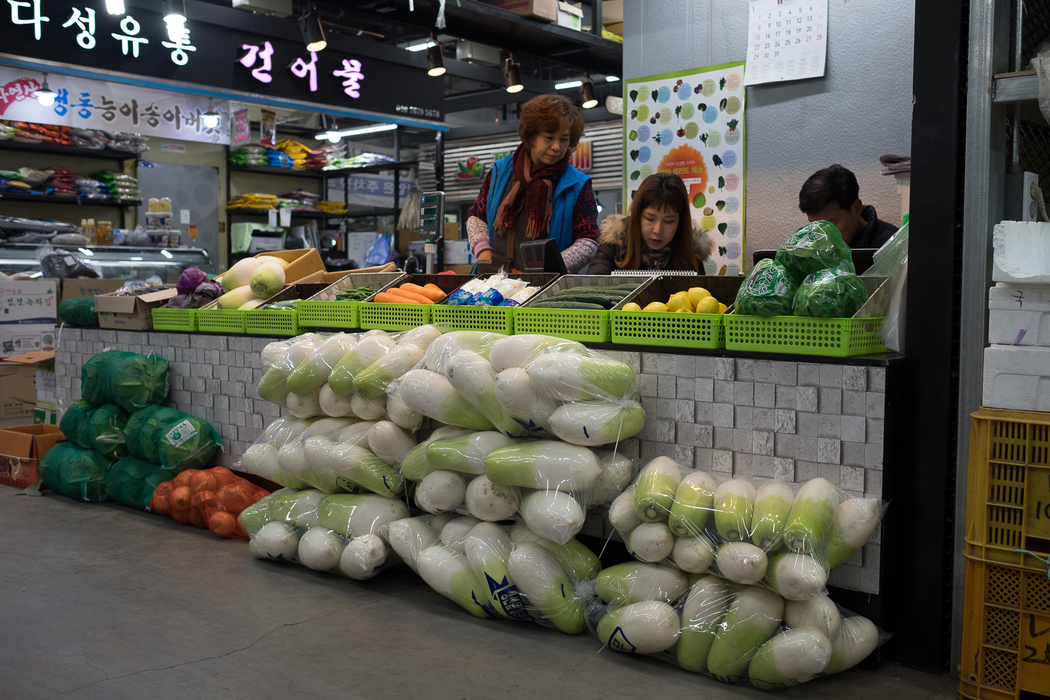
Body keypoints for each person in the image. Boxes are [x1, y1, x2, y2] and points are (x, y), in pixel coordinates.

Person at [466, 94, 598, 273]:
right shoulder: (501, 171)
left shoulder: (578, 185)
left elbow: (588, 240)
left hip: (544, 288)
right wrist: (484, 254)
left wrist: (549, 269)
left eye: (564, 139)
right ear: (531, 137)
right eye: (549, 137)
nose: (557, 147)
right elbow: (476, 216)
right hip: (490, 280)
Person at [588, 172, 714, 274]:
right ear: (637, 215)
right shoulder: (615, 241)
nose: (658, 230)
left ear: (680, 222)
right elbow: (594, 281)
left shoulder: (691, 250)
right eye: (650, 218)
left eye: (669, 221)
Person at [798, 164, 898, 248]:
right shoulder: (809, 243)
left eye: (830, 226)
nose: (822, 237)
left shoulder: (894, 245)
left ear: (856, 208)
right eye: (814, 226)